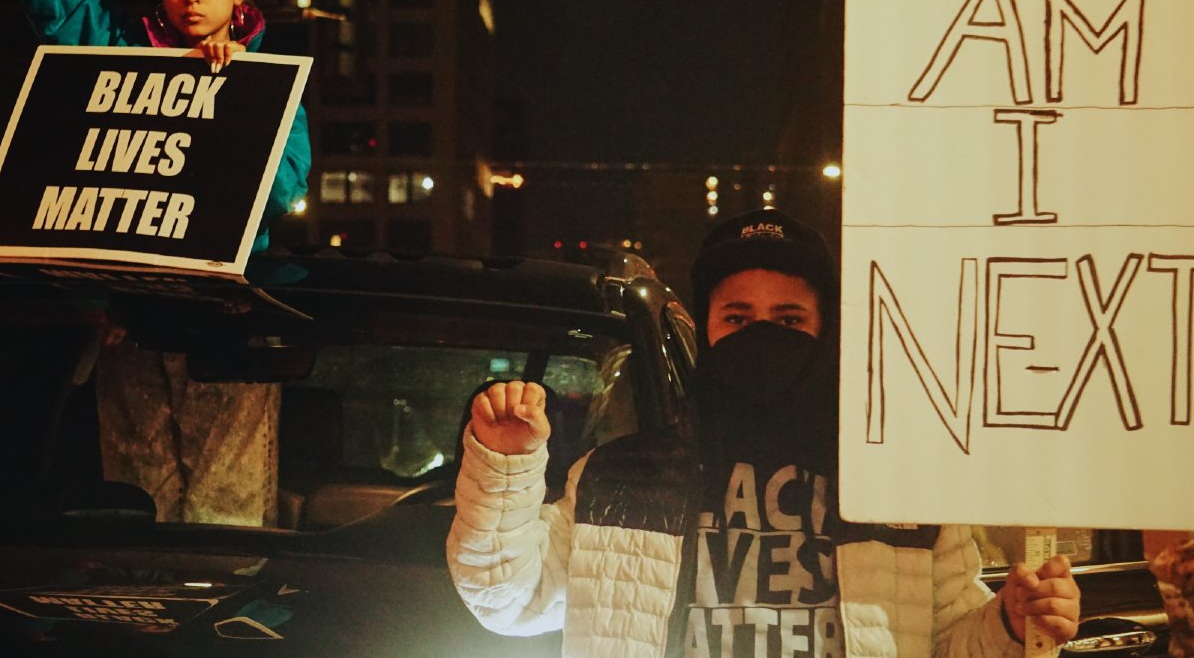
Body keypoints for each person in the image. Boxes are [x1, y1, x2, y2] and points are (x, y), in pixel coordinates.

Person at [448, 208, 1081, 657]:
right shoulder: (620, 476)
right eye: (738, 316)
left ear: (825, 330)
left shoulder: (899, 494)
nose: (762, 335)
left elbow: (948, 643)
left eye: (789, 317)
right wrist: (504, 468)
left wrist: (1008, 622)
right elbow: (508, 600)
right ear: (709, 326)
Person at [13, 0, 310, 526]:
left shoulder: (268, 80)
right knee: (134, 515)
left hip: (227, 331)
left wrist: (229, 107)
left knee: (223, 520)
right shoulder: (115, 49)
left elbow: (284, 189)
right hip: (131, 326)